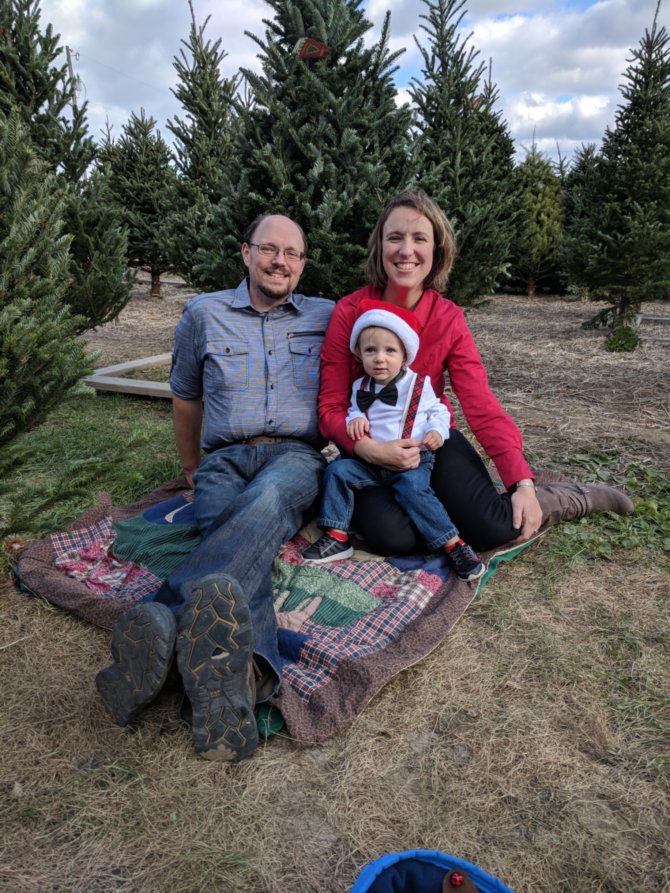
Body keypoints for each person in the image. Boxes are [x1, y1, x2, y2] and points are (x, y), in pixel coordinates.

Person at [96, 213, 334, 762]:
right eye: (269, 249)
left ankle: (163, 622)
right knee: (233, 539)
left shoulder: (328, 316)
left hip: (295, 455)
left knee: (265, 505)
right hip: (224, 457)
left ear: (302, 264)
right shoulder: (203, 313)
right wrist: (190, 465)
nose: (281, 261)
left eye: (292, 254)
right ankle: (240, 682)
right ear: (245, 253)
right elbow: (185, 395)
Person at [318, 188, 634, 556]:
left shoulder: (449, 318)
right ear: (379, 247)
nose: (406, 250)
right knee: (396, 540)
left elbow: (480, 404)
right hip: (369, 449)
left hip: (431, 441)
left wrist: (522, 483)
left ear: (436, 251)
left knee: (496, 527)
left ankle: (568, 496)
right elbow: (330, 407)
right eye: (395, 238)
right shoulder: (349, 312)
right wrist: (368, 449)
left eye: (419, 238)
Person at [302, 300, 486, 582]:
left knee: (414, 490)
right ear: (359, 355)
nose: (379, 358)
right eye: (370, 351)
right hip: (371, 461)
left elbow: (439, 411)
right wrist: (355, 420)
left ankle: (453, 544)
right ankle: (337, 535)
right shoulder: (360, 386)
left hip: (411, 459)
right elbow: (354, 409)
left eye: (390, 351)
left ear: (404, 355)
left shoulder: (419, 385)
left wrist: (437, 430)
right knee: (337, 471)